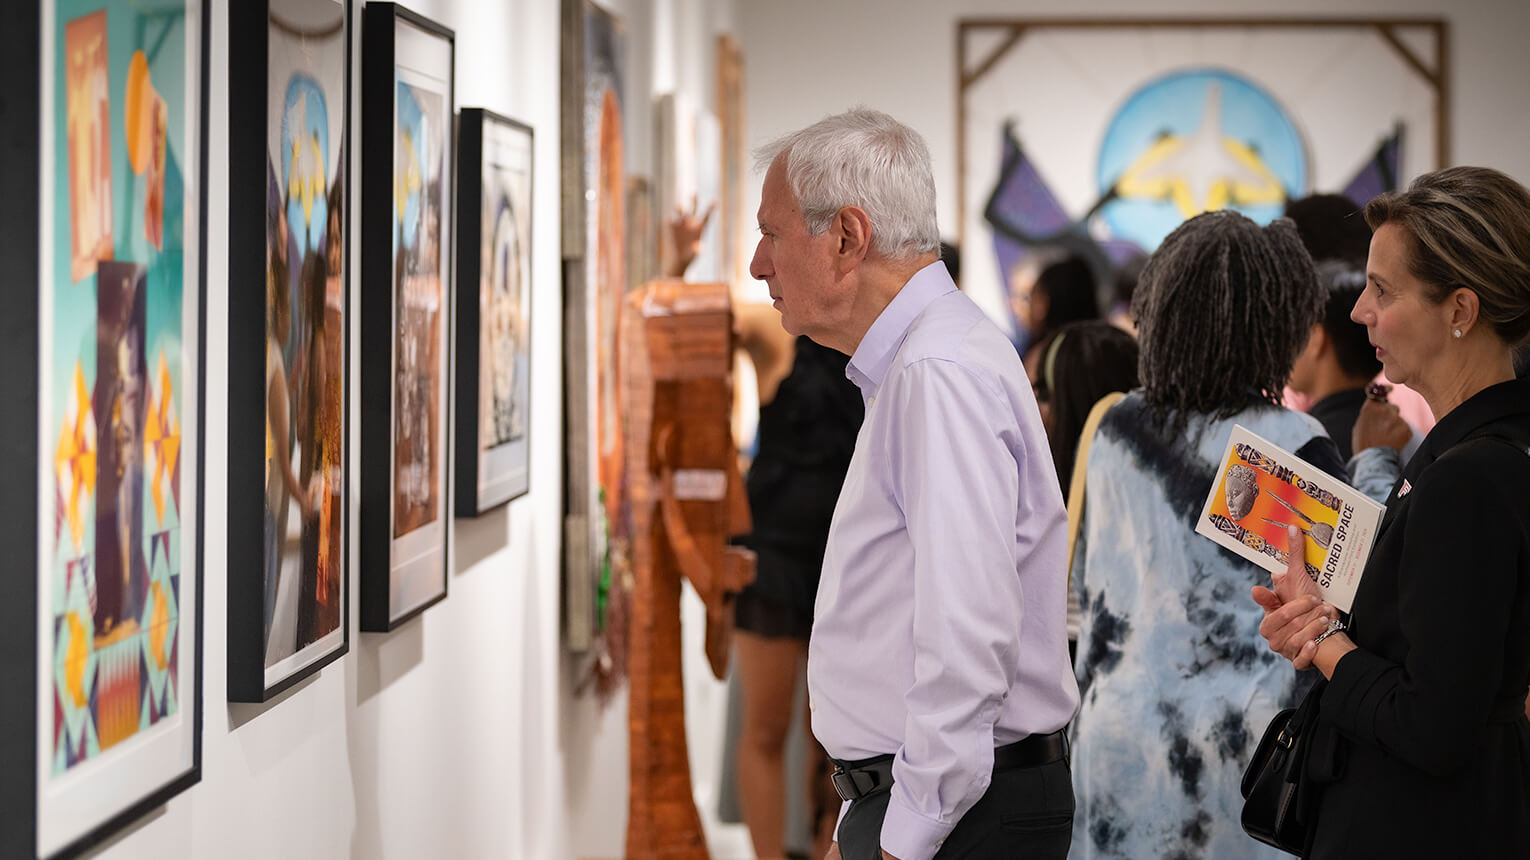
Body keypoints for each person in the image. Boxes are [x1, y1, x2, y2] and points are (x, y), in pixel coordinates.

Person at [751, 108, 1078, 860]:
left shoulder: (937, 371)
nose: (757, 264)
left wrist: (903, 837)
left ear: (847, 237)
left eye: (771, 234)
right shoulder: (924, 361)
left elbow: (968, 635)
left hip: (958, 817)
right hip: (936, 804)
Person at [1254, 166, 1530, 857]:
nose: (1359, 312)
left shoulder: (1470, 479)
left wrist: (1323, 642)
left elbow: (1433, 725)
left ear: (1459, 311)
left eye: (1383, 290)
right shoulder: (1475, 452)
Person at [1068, 210, 1343, 859]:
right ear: (1278, 322)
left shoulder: (1115, 427)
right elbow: (1333, 610)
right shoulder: (1295, 445)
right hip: (1239, 755)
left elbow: (1088, 582)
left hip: (1115, 736)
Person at [670, 194, 862, 860]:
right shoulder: (777, 331)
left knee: (838, 736)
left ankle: (825, 845)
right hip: (773, 552)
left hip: (847, 556)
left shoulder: (879, 343)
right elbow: (691, 328)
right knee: (767, 724)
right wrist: (680, 263)